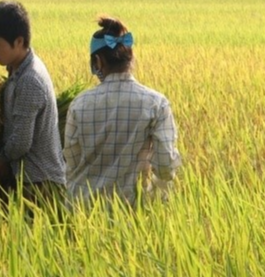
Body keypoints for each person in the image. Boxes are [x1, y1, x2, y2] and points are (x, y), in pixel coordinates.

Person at [63, 16, 181, 210]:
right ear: (131, 58)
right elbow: (165, 165)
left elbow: (72, 162)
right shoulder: (156, 104)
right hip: (132, 213)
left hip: (82, 212)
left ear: (98, 62)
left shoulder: (79, 104)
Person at [0, 1, 66, 209]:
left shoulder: (29, 80)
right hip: (33, 179)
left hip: (39, 184)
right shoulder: (19, 69)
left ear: (18, 41)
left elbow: (22, 139)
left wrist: (2, 160)